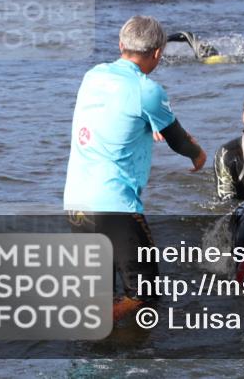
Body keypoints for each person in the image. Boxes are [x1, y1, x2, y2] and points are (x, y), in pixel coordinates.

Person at [64, 16, 207, 320]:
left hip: (76, 204)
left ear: (121, 45)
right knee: (145, 297)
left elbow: (117, 120)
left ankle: (93, 350)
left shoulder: (92, 75)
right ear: (158, 53)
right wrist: (198, 155)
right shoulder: (147, 90)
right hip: (114, 207)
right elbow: (179, 141)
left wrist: (149, 126)